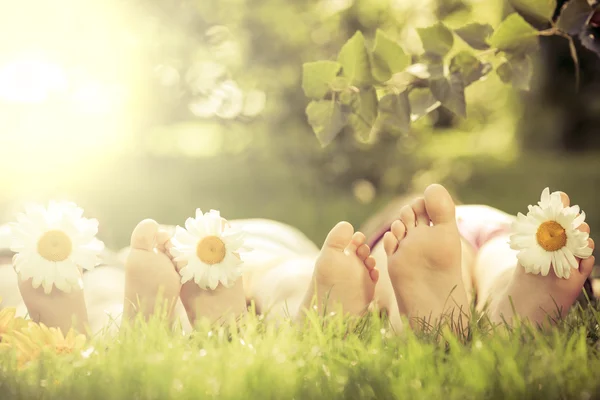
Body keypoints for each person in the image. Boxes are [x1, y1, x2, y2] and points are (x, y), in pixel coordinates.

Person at [0, 184, 595, 336]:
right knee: (504, 263)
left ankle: (312, 298)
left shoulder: (385, 241)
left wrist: (369, 253)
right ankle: (514, 303)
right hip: (510, 232)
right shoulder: (450, 229)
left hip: (378, 264)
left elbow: (352, 249)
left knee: (275, 264)